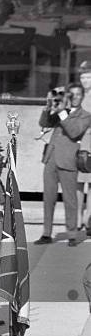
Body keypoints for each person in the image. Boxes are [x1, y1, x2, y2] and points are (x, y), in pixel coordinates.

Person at [35, 82, 91, 247]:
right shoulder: (62, 110)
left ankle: (72, 234)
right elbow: (44, 123)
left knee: (70, 199)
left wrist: (61, 113)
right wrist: (48, 105)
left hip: (68, 160)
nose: (75, 97)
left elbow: (74, 132)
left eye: (78, 95)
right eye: (71, 94)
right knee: (49, 197)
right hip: (51, 159)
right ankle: (46, 234)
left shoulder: (85, 116)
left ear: (83, 97)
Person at [77, 61, 91, 235]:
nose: (85, 80)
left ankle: (89, 217)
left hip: (88, 143)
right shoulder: (77, 95)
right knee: (77, 183)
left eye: (88, 77)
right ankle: (78, 217)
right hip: (77, 143)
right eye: (82, 77)